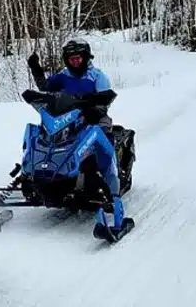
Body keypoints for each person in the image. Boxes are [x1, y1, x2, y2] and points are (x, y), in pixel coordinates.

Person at [26, 39, 133, 241]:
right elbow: (46, 86)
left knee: (102, 145)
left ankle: (112, 189)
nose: (75, 62)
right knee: (48, 138)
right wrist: (36, 68)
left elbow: (105, 100)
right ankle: (40, 175)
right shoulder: (63, 76)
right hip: (69, 119)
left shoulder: (97, 76)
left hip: (94, 118)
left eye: (78, 58)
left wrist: (96, 109)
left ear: (85, 57)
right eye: (71, 59)